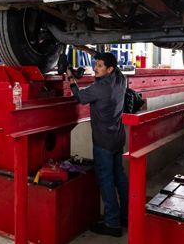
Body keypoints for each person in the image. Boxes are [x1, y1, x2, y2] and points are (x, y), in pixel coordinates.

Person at [67, 51, 128, 237]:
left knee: (106, 180)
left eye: (100, 66)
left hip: (103, 141)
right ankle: (126, 216)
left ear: (110, 69)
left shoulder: (101, 87)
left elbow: (80, 97)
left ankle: (112, 223)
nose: (96, 68)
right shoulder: (121, 78)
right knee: (120, 177)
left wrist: (71, 79)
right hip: (118, 137)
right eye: (96, 64)